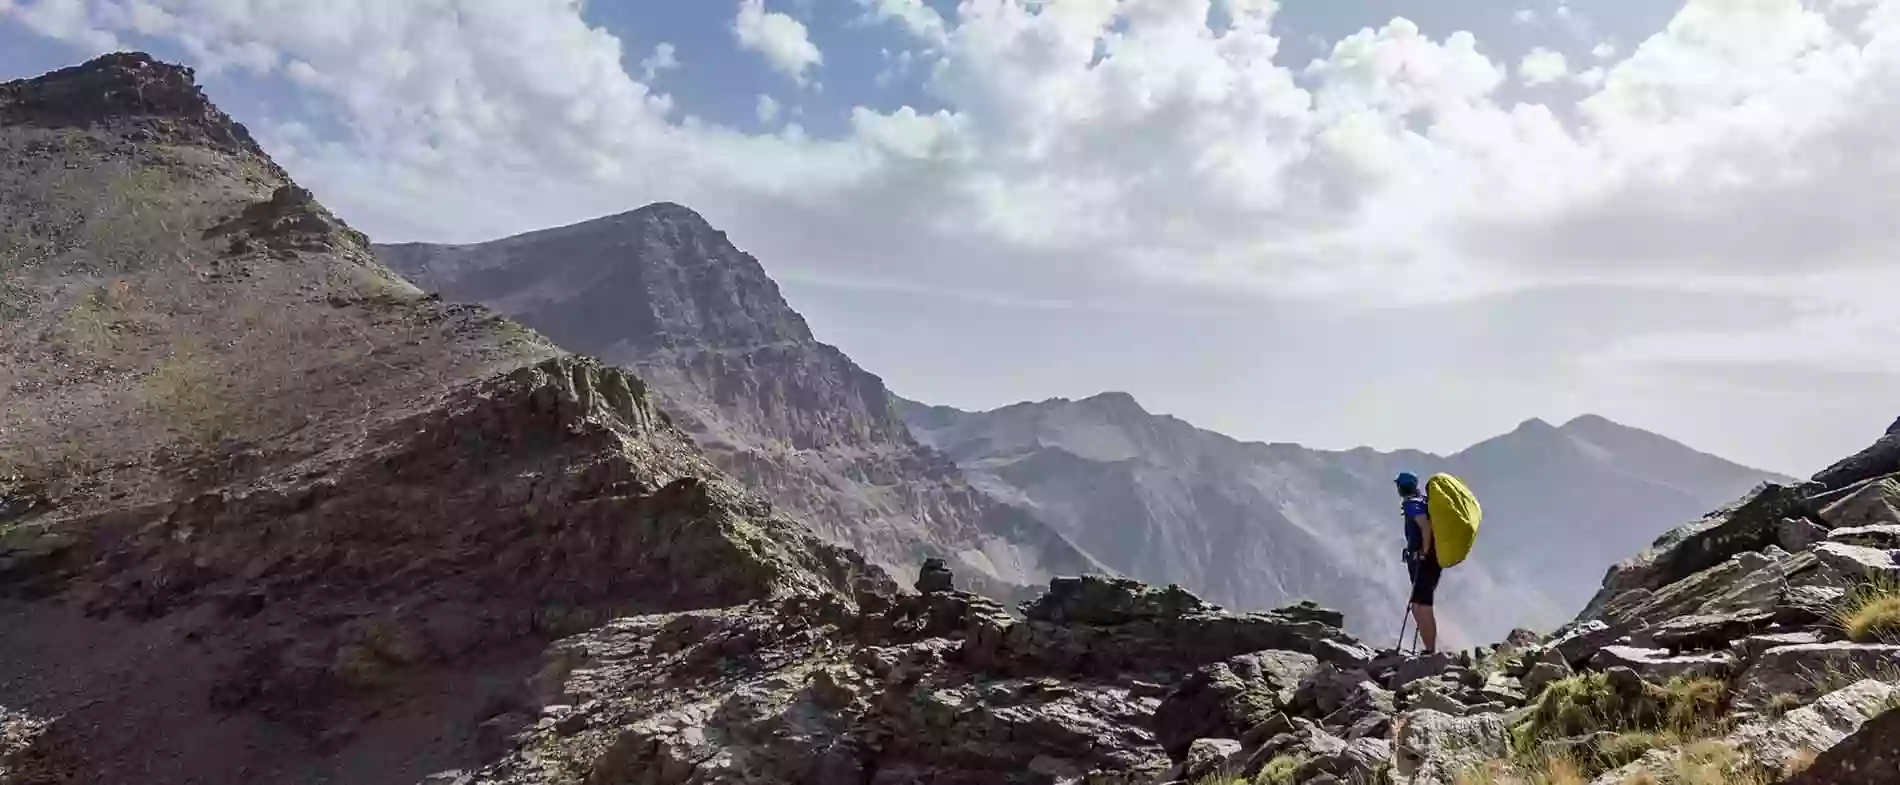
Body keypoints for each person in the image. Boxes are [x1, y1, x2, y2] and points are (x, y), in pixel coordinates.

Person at [1397, 471, 1439, 654]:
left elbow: (1425, 527)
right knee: (1417, 605)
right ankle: (1428, 649)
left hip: (1424, 561)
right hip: (1427, 561)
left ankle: (1430, 650)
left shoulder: (1413, 505)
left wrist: (1424, 551)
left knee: (1422, 605)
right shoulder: (1421, 501)